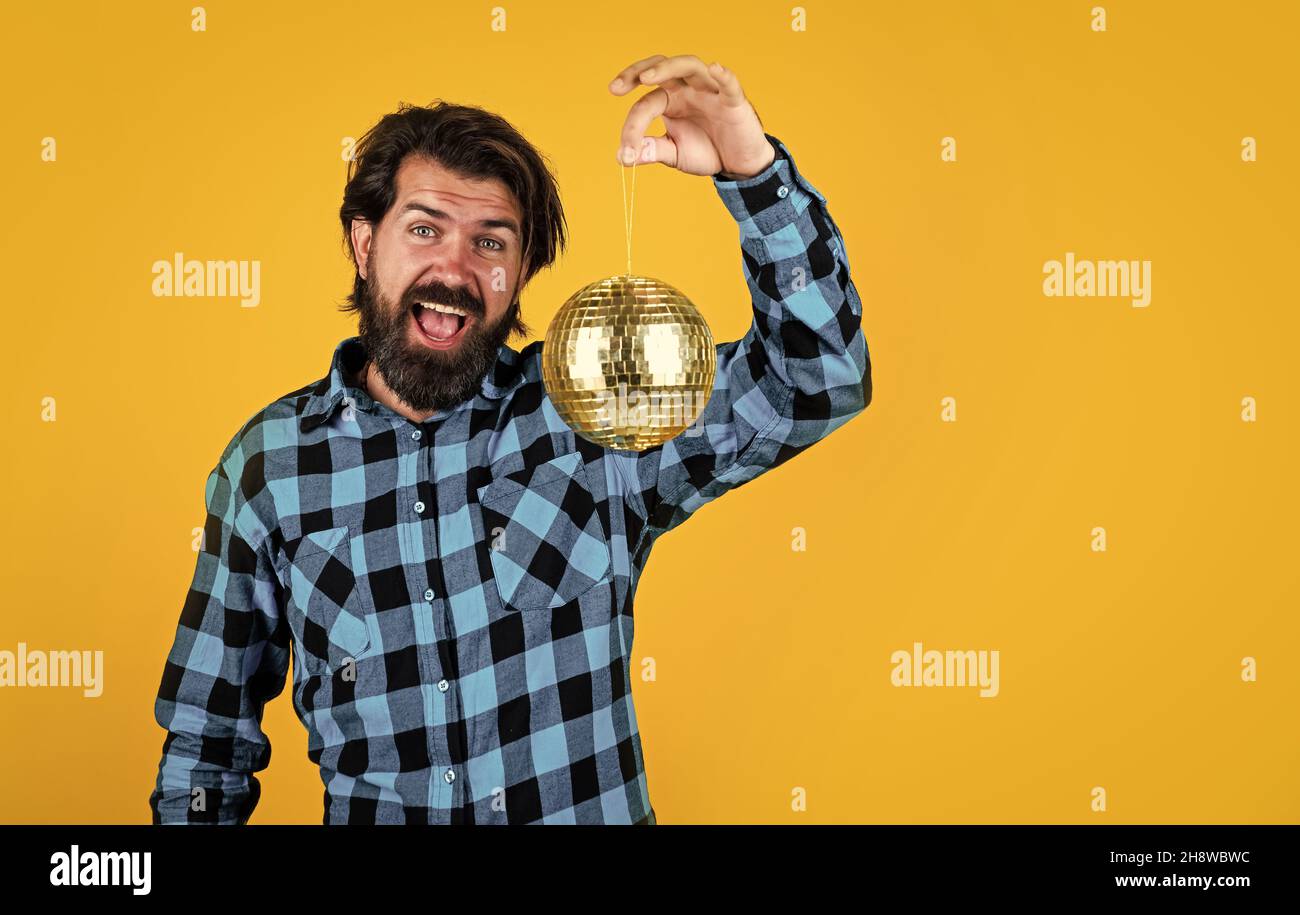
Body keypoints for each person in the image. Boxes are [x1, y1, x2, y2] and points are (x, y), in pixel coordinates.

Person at [149, 53, 871, 825]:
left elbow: (817, 378)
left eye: (491, 243)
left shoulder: (592, 414)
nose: (454, 268)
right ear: (365, 246)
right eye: (425, 228)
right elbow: (207, 742)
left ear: (522, 270)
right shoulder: (269, 469)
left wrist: (753, 170)